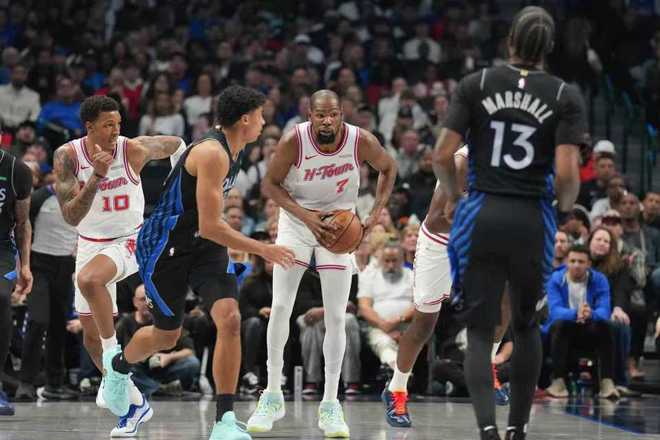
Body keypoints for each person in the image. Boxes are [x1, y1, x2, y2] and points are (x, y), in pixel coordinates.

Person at [101, 85, 295, 440]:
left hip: (206, 247)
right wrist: (263, 249)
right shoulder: (211, 153)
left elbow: (209, 229)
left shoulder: (236, 148)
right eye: (260, 116)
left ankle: (224, 421)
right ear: (245, 119)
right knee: (167, 335)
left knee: (231, 320)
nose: (264, 122)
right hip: (165, 246)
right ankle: (118, 366)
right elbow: (211, 224)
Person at [434, 7, 585, 440]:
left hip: (482, 213)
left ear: (509, 42)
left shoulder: (477, 83)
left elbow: (441, 156)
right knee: (525, 324)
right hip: (531, 217)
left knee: (481, 332)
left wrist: (456, 196)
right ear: (549, 47)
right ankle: (518, 428)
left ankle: (487, 429)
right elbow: (568, 175)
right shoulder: (564, 94)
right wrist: (564, 206)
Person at [247, 89, 397, 438]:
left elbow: (389, 168)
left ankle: (330, 403)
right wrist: (306, 217)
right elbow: (270, 185)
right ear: (310, 116)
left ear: (341, 115)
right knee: (280, 306)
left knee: (336, 316)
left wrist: (374, 213)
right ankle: (272, 394)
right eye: (320, 115)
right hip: (297, 224)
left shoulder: (360, 140)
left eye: (333, 115)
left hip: (339, 225)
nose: (327, 121)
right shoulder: (293, 141)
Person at [52, 95, 187, 436]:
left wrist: (180, 195)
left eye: (118, 124)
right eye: (107, 125)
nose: (115, 131)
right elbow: (71, 216)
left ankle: (115, 366)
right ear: (89, 127)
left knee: (89, 280)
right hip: (89, 243)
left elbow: (178, 144)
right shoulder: (68, 156)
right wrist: (96, 177)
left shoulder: (133, 150)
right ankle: (134, 405)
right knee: (90, 338)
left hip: (130, 239)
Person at [0, 149, 33, 415]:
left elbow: (23, 223)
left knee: (1, 299)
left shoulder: (16, 170)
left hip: (2, 249)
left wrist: (25, 265)